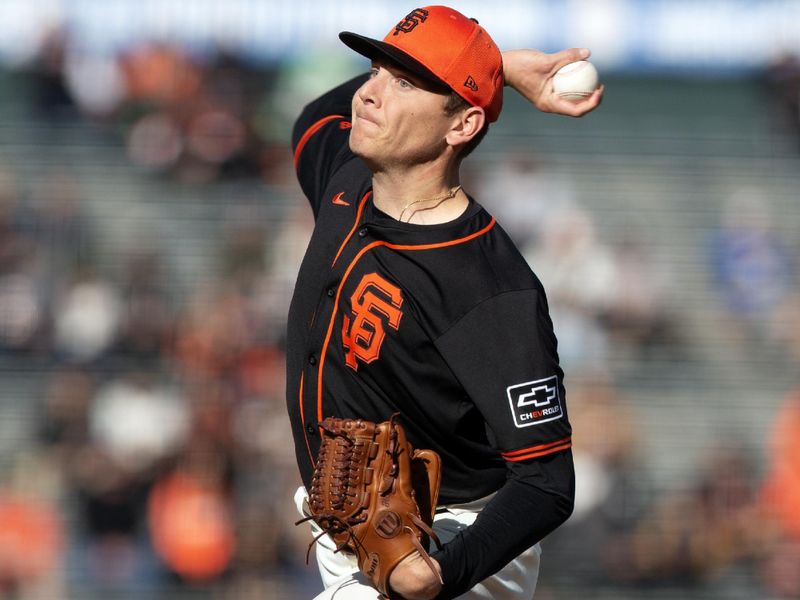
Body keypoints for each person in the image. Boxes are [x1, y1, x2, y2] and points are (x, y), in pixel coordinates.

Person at [286, 6, 603, 599]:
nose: (369, 94)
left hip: (456, 540)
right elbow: (313, 116)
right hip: (350, 528)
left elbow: (547, 483)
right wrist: (496, 68)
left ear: (461, 126)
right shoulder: (346, 180)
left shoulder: (489, 290)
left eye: (405, 82)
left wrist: (438, 575)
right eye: (376, 70)